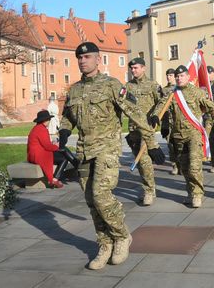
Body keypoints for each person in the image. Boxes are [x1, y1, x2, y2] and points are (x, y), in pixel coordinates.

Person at [58, 42, 165, 270]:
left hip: (107, 148)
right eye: (79, 57)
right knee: (90, 201)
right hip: (84, 150)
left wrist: (152, 144)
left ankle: (122, 235)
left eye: (87, 57)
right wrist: (64, 130)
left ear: (98, 59)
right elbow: (68, 115)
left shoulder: (112, 85)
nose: (82, 61)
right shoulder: (75, 90)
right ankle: (105, 244)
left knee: (101, 195)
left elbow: (135, 114)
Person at [152, 65, 214, 208]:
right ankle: (190, 192)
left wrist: (211, 124)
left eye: (182, 76)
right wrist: (155, 116)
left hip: (194, 134)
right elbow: (161, 106)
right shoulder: (172, 93)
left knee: (194, 166)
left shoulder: (196, 92)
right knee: (184, 168)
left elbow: (213, 108)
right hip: (178, 135)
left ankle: (197, 194)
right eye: (177, 76)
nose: (179, 78)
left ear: (188, 77)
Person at [124, 57, 162, 206]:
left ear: (144, 68)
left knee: (144, 159)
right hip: (133, 128)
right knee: (139, 162)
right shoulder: (128, 86)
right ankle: (150, 187)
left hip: (147, 127)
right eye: (132, 68)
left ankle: (148, 191)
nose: (133, 71)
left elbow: (162, 101)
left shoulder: (153, 84)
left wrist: (155, 115)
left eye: (136, 68)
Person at [27, 110, 63, 188]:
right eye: (49, 119)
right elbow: (47, 146)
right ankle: (54, 179)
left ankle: (55, 178)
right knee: (64, 158)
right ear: (45, 120)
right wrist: (57, 146)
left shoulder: (37, 128)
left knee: (62, 154)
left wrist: (54, 145)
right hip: (38, 156)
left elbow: (44, 144)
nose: (49, 121)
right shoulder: (41, 129)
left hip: (34, 154)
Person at [161, 68, 180, 175]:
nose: (169, 77)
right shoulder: (164, 90)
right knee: (170, 145)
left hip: (178, 121)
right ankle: (175, 165)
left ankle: (182, 164)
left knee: (180, 144)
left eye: (171, 75)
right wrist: (163, 125)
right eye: (167, 75)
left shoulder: (179, 89)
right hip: (167, 122)